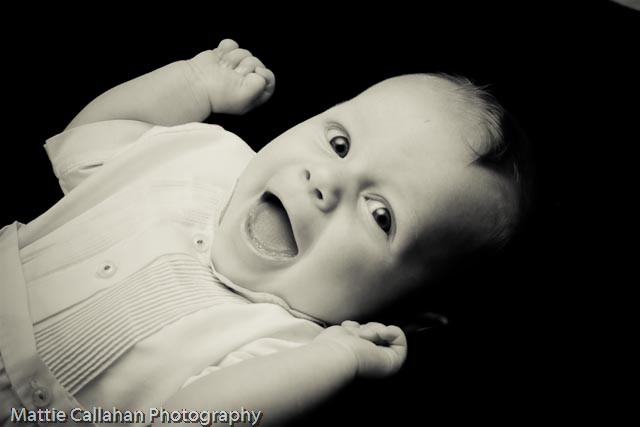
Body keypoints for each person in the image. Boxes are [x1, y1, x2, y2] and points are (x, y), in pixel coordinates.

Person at [0, 38, 528, 426]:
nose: (327, 182)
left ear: (396, 315)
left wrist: (339, 358)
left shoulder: (284, 345)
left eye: (380, 215)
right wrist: (192, 82)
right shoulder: (206, 154)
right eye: (339, 145)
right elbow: (94, 139)